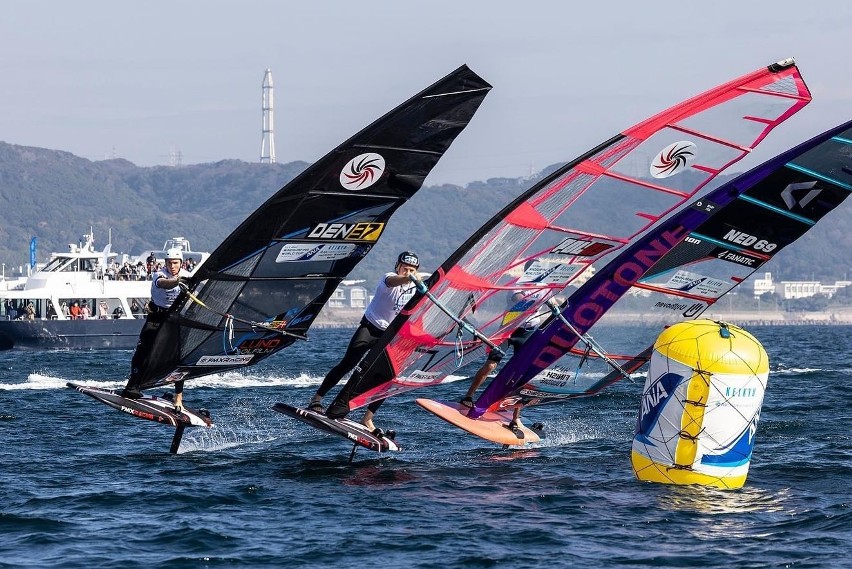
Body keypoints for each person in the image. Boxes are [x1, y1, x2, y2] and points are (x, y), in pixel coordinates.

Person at [311, 251, 422, 432]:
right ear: (397, 267)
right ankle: (316, 399)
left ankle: (367, 419)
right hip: (370, 328)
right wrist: (411, 278)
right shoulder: (390, 278)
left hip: (388, 336)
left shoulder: (415, 287)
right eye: (404, 268)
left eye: (411, 269)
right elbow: (396, 281)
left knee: (387, 377)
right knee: (348, 364)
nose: (407, 272)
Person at [459, 288, 552, 431]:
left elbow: (554, 303)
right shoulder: (517, 285)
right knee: (490, 365)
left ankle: (515, 419)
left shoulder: (545, 288)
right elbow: (519, 300)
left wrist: (555, 305)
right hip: (507, 330)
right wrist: (538, 300)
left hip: (528, 333)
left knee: (521, 375)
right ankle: (468, 397)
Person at [122, 248, 190, 409]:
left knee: (178, 358)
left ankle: (178, 399)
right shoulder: (159, 275)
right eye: (169, 263)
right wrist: (177, 281)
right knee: (141, 352)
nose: (172, 266)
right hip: (156, 318)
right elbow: (163, 284)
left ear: (181, 263)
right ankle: (132, 388)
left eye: (175, 263)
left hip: (175, 319)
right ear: (165, 263)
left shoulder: (188, 276)